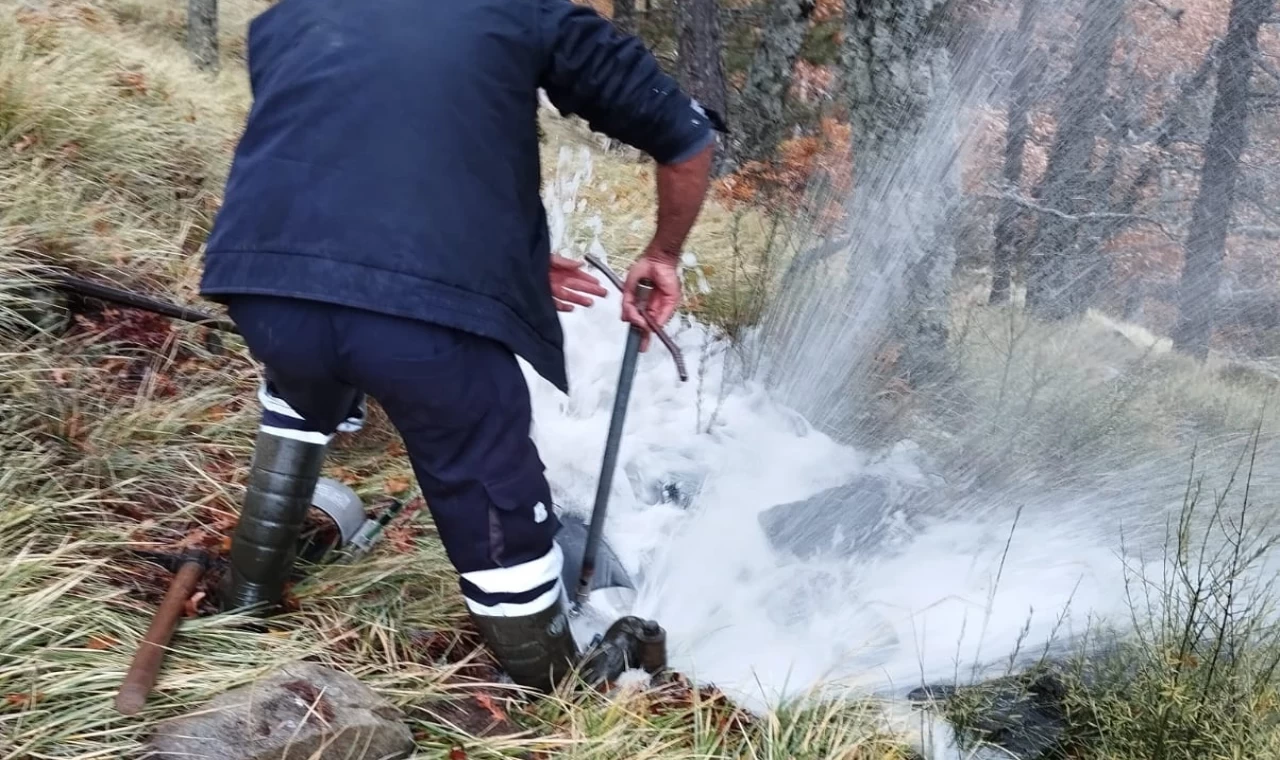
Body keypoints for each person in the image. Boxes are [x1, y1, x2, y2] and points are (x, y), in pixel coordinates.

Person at [198, 0, 718, 692]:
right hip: (418, 333)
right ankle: (554, 680)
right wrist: (662, 252)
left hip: (264, 283)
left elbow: (353, 151)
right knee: (483, 471)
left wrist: (497, 259)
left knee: (300, 384)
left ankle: (246, 600)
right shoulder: (528, 13)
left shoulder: (289, 16)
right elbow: (685, 140)